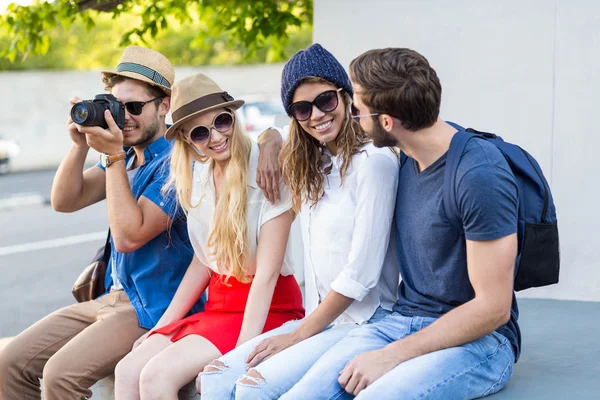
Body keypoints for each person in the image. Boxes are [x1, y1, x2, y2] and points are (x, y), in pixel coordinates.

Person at [0, 46, 281, 400]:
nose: (124, 118)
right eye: (118, 107)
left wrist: (114, 155)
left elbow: (128, 237)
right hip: (112, 296)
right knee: (10, 361)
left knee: (60, 375)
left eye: (134, 108)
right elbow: (64, 201)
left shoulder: (177, 163)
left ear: (164, 106)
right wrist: (80, 145)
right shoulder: (128, 157)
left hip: (151, 305)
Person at [281, 47, 520, 400]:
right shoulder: (406, 155)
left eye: (358, 109)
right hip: (403, 322)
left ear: (387, 122)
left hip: (481, 341)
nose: (352, 116)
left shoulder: (478, 175)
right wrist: (270, 141)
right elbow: (314, 141)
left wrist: (392, 356)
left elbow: (493, 308)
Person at [200, 43, 399, 400]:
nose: (317, 115)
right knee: (215, 377)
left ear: (345, 96)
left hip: (367, 323)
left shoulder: (374, 162)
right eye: (302, 108)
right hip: (322, 322)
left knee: (253, 390)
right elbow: (273, 132)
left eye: (326, 100)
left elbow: (362, 275)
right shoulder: (315, 164)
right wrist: (271, 143)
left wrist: (298, 334)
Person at [113, 73, 305, 399]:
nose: (216, 137)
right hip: (219, 305)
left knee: (156, 377)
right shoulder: (197, 177)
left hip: (268, 307)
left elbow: (268, 274)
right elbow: (202, 264)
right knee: (127, 370)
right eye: (201, 132)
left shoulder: (266, 171)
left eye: (222, 122)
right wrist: (163, 325)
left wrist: (241, 352)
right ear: (188, 140)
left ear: (234, 118)